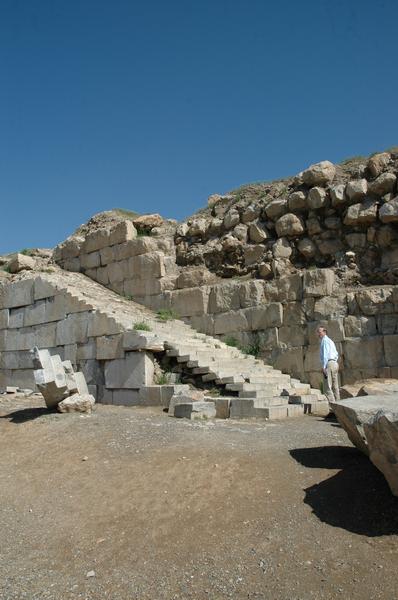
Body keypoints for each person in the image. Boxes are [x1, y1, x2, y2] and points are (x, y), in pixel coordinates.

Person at [317, 326, 340, 403]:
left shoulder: (325, 341)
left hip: (329, 364)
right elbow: (336, 354)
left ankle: (332, 407)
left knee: (327, 387)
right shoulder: (331, 341)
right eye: (318, 332)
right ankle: (339, 404)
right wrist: (335, 362)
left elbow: (325, 355)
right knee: (335, 386)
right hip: (335, 363)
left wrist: (324, 367)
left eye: (319, 332)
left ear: (324, 332)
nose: (318, 334)